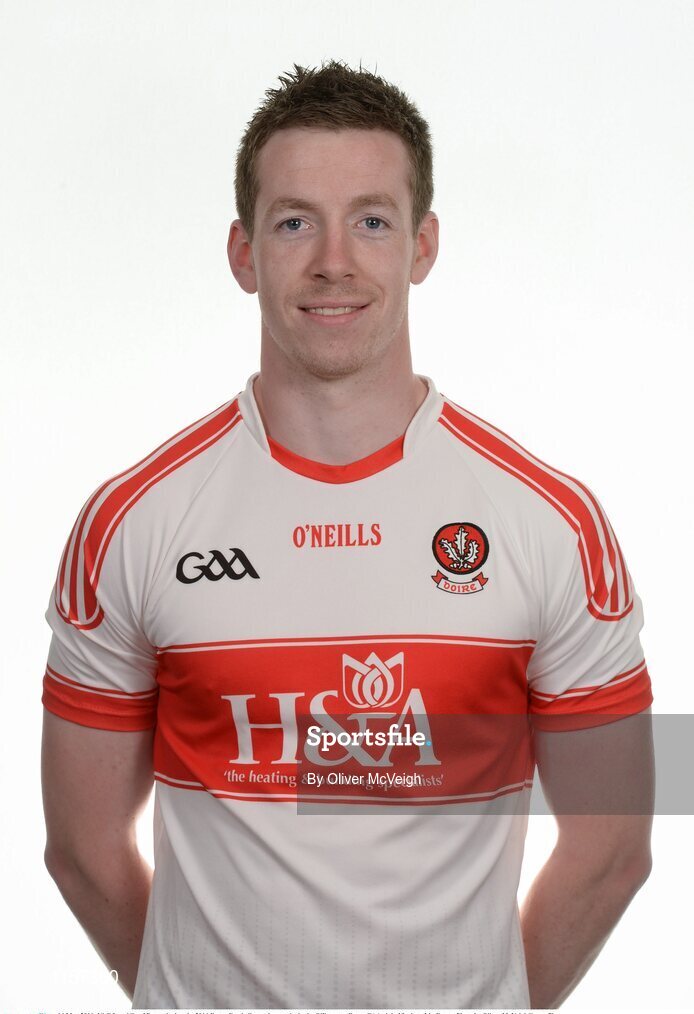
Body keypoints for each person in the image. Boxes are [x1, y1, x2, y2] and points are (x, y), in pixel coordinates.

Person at [41, 59, 654, 1009]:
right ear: (243, 252)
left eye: (371, 219)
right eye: (295, 222)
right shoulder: (135, 524)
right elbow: (81, 853)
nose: (334, 259)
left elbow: (613, 850)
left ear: (423, 244)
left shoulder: (549, 526)